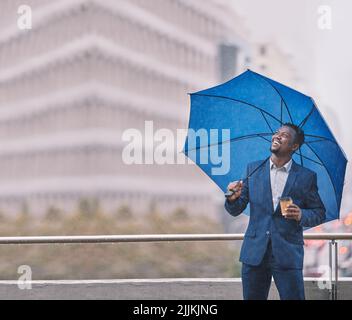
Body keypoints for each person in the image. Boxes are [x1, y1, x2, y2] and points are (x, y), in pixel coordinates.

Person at [225, 123, 326, 300]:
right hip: (255, 253)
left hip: (287, 253)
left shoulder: (306, 176)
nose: (277, 136)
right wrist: (232, 198)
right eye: (276, 133)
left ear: (294, 146)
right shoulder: (253, 170)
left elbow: (319, 212)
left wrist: (301, 214)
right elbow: (236, 209)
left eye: (284, 135)